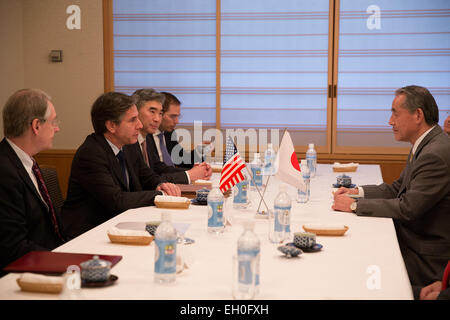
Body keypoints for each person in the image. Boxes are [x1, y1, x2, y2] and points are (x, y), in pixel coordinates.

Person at [332, 85, 450, 298]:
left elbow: (408, 207)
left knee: (360, 257)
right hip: (415, 239)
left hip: (425, 256)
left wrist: (354, 205)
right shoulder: (426, 144)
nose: (390, 121)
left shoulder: (435, 153)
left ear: (418, 115)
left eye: (395, 113)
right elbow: (397, 188)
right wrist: (356, 193)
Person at [62, 92, 180, 239]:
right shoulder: (91, 153)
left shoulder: (128, 145)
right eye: (132, 120)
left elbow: (147, 177)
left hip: (121, 224)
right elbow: (117, 200)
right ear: (112, 125)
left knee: (172, 234)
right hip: (91, 234)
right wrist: (161, 195)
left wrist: (162, 185)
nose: (140, 125)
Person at [0, 89, 65, 271]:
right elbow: (12, 246)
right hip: (21, 276)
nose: (57, 128)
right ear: (36, 126)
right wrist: (65, 261)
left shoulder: (27, 162)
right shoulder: (5, 171)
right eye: (53, 122)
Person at [128, 89, 211, 183]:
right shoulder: (131, 140)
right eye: (152, 112)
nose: (157, 119)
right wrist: (189, 174)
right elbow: (146, 179)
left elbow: (168, 164)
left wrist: (193, 171)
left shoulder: (161, 134)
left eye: (160, 113)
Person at [160, 92, 213, 170]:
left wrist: (200, 151)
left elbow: (182, 160)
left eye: (178, 116)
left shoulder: (169, 133)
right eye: (173, 116)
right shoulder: (148, 137)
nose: (177, 121)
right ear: (159, 114)